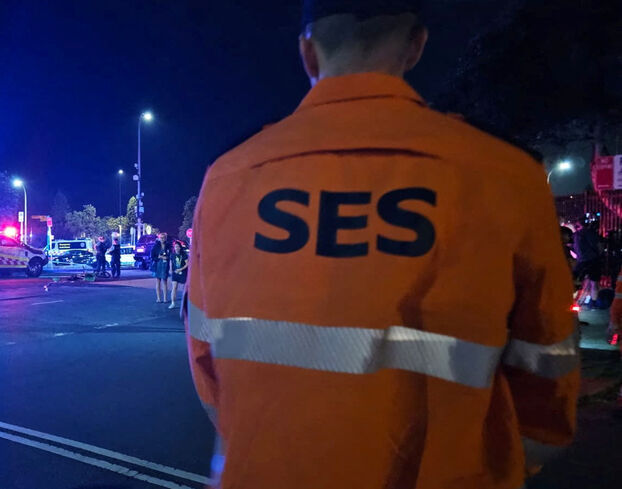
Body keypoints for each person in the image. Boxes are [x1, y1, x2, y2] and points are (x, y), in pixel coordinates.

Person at [185, 2, 579, 488]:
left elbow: (209, 376)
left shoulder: (228, 178)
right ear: (416, 45)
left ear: (308, 53)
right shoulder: (506, 176)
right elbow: (549, 387)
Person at [573, 217, 601, 308]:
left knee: (576, 281)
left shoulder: (576, 234)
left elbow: (574, 248)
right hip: (593, 260)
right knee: (594, 283)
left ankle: (573, 301)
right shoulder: (590, 233)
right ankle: (593, 303)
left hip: (581, 261)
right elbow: (599, 246)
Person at [151, 233, 170, 303]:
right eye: (161, 238)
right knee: (158, 281)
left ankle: (165, 298)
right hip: (158, 265)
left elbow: (170, 254)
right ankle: (158, 298)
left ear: (165, 238)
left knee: (165, 281)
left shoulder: (168, 246)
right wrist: (159, 257)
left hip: (165, 265)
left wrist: (167, 257)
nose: (162, 239)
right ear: (159, 238)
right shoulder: (156, 246)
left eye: (164, 238)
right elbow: (152, 256)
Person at [169, 240, 188, 309]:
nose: (176, 248)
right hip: (175, 273)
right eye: (175, 247)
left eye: (178, 246)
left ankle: (184, 303)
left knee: (184, 288)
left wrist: (181, 269)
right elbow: (171, 262)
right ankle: (172, 302)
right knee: (174, 288)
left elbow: (187, 264)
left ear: (180, 247)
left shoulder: (184, 254)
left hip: (182, 272)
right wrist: (171, 270)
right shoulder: (172, 255)